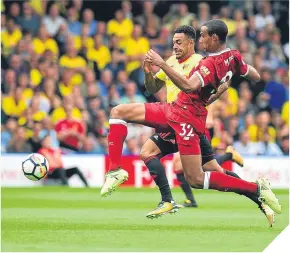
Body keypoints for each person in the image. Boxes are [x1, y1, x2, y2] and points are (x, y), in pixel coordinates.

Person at [101, 20, 281, 218]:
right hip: (174, 113)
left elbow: (189, 86)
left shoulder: (204, 63)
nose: (176, 46)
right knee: (127, 123)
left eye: (181, 42)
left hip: (187, 120)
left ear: (198, 41)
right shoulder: (233, 56)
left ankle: (256, 191)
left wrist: (161, 63)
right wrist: (150, 72)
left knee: (199, 177)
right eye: (174, 43)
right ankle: (153, 191)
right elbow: (252, 75)